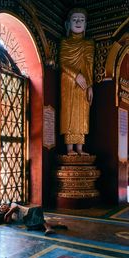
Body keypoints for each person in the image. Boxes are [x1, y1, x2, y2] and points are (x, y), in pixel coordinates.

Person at [60, 8, 94, 156]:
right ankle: (69, 148)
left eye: (81, 19)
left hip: (84, 82)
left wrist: (90, 86)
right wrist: (75, 75)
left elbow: (89, 65)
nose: (78, 22)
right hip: (68, 80)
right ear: (68, 24)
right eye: (75, 19)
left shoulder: (88, 43)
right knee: (69, 111)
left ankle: (80, 148)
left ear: (86, 24)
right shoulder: (65, 42)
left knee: (82, 112)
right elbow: (62, 62)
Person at [0, 203, 68, 235]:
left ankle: (49, 229)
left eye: (2, 205)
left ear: (6, 204)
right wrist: (7, 215)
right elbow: (8, 222)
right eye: (1, 209)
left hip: (30, 212)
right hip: (27, 221)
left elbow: (15, 208)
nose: (2, 207)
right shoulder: (10, 215)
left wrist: (6, 214)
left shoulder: (12, 204)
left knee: (37, 210)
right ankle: (57, 225)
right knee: (40, 224)